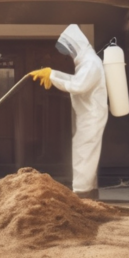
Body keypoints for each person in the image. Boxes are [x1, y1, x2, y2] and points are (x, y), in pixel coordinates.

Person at [29, 24, 108, 199]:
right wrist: (52, 73)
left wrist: (53, 77)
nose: (70, 54)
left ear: (76, 45)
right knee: (86, 154)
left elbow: (78, 85)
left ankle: (81, 195)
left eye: (70, 50)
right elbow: (76, 80)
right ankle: (90, 194)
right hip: (88, 115)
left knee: (84, 154)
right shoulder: (87, 63)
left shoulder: (91, 63)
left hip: (91, 116)